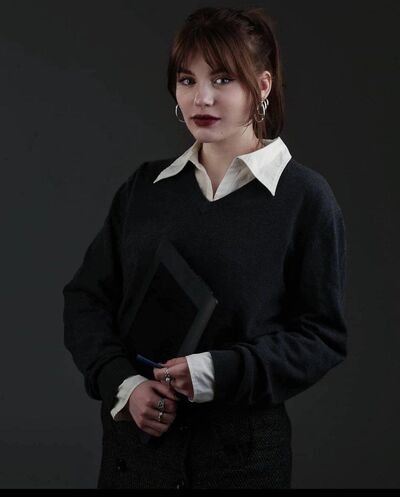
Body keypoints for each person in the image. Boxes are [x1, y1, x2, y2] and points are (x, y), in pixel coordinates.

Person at [62, 6, 348, 489]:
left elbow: (322, 336)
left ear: (261, 85)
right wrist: (124, 384)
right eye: (187, 80)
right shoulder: (145, 189)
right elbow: (86, 300)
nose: (202, 98)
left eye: (222, 79)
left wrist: (218, 371)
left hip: (242, 459)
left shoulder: (303, 198)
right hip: (137, 455)